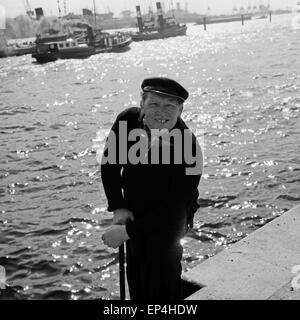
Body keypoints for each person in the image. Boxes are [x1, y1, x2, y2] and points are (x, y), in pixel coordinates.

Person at [101, 77, 203, 301]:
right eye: (154, 104)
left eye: (169, 106)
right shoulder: (128, 120)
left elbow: (173, 209)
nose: (161, 112)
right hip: (135, 212)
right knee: (137, 278)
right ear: (142, 104)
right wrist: (118, 205)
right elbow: (110, 165)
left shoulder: (189, 148)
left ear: (180, 109)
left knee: (162, 282)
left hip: (170, 222)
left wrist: (126, 233)